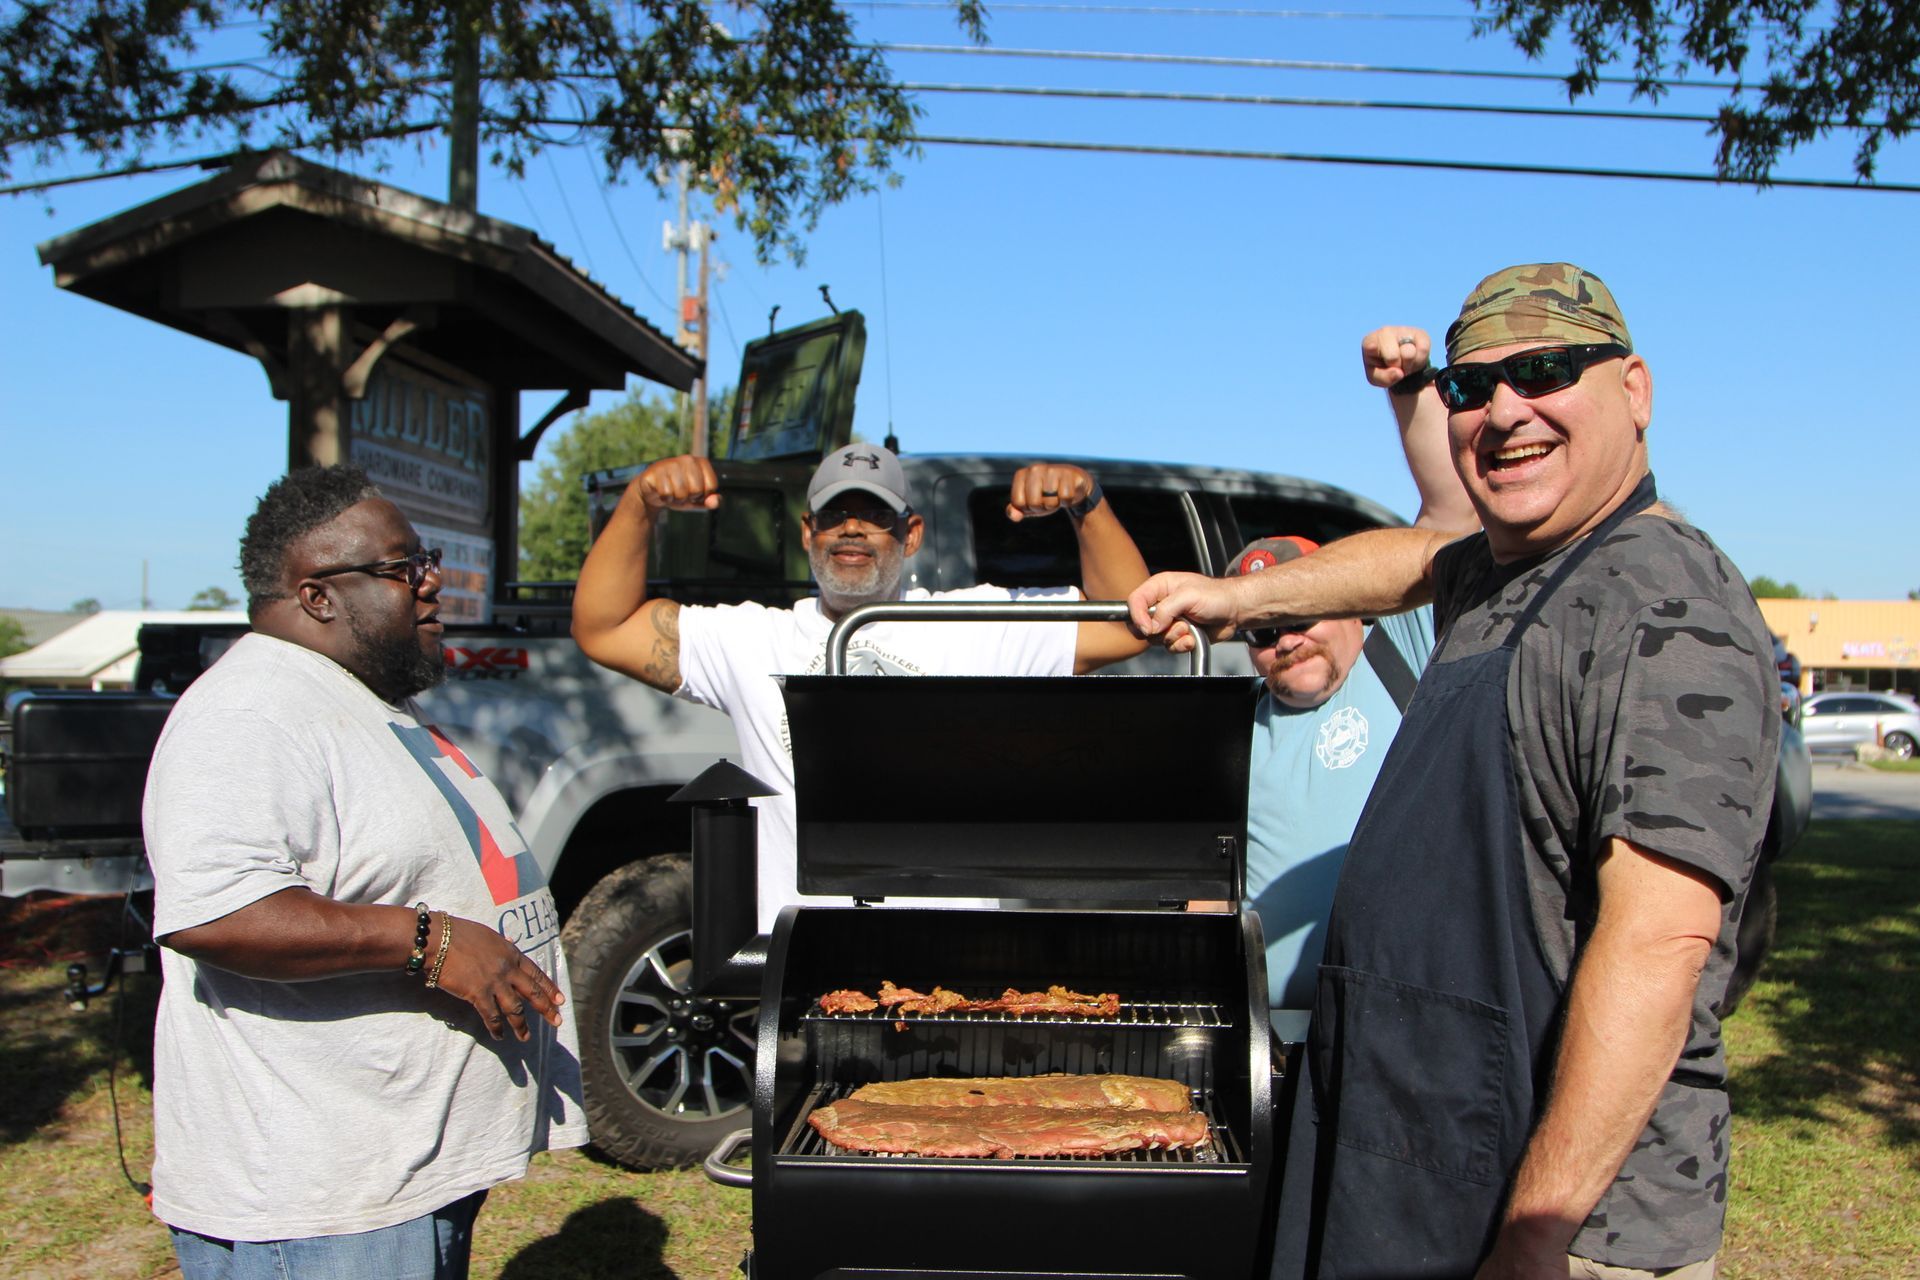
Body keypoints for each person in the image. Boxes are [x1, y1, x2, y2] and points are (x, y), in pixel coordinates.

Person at [1131, 264, 1778, 1280]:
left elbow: (1661, 942)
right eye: (1474, 388)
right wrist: (1231, 599)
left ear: (1635, 389)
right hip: (1432, 1157)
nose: (1505, 411)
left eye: (1546, 371)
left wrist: (1535, 1236)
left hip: (1567, 1214)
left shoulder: (1662, 602)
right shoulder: (1508, 567)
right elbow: (1411, 558)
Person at [144, 464, 585, 1278]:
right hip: (324, 1209)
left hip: (389, 1180)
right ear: (317, 595)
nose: (432, 585)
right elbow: (216, 911)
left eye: (428, 564)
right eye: (404, 568)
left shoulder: (353, 697)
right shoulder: (250, 712)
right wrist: (432, 941)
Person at [572, 443, 1150, 928]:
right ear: (808, 532)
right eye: (833, 514)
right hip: (807, 969)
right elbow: (605, 629)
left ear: (912, 534)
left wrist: (1087, 505)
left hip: (953, 964)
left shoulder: (975, 621)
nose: (852, 528)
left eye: (874, 514)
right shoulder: (753, 637)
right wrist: (639, 506)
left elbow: (1130, 623)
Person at [1230, 324, 1477, 1013]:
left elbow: (1452, 522)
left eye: (1302, 615)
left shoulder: (1395, 651)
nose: (1285, 641)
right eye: (1264, 630)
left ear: (1353, 607)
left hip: (1396, 1023)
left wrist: (1408, 388)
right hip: (1270, 1044)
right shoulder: (1238, 725)